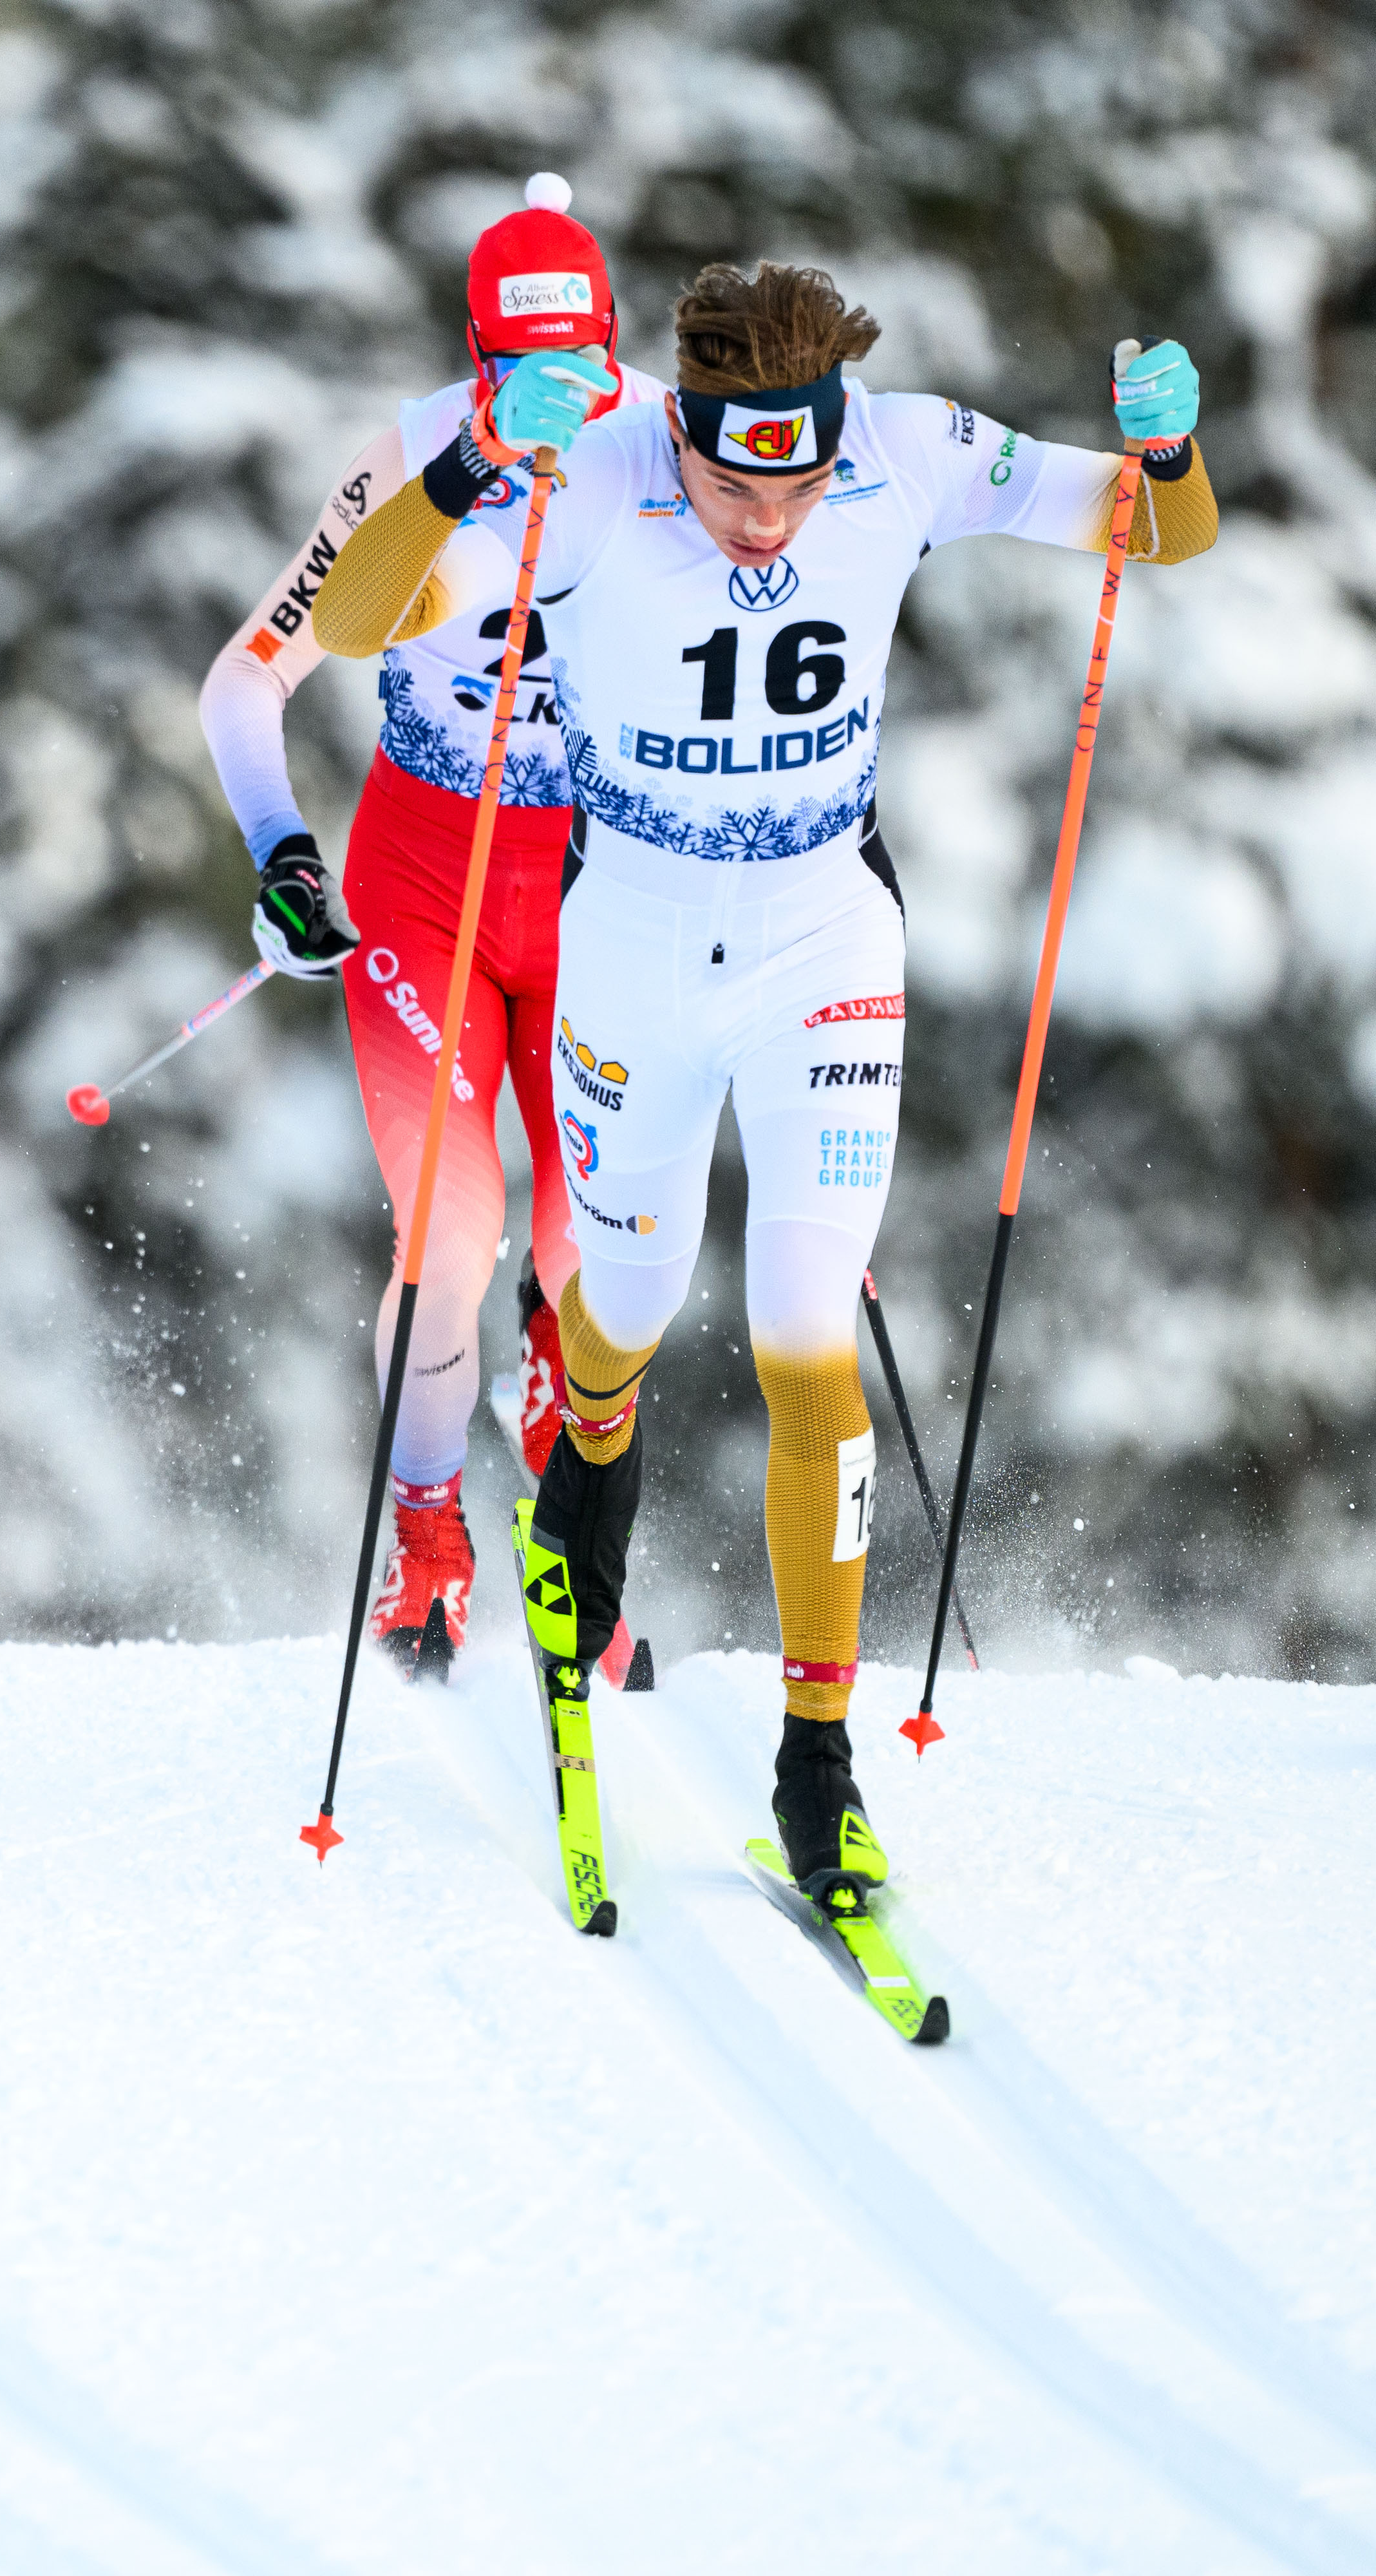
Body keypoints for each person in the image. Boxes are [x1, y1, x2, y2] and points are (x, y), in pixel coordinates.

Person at [312, 263, 1214, 1893]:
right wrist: (467, 465)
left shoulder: (908, 451)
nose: (765, 521)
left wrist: (1168, 454)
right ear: (684, 431)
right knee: (626, 1313)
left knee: (810, 1345)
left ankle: (820, 1761)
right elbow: (355, 620)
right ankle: (577, 1490)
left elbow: (1158, 532)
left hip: (822, 951)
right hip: (634, 954)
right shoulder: (594, 474)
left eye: (797, 486)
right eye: (733, 486)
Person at [198, 176, 665, 1681]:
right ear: (474, 358)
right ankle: (429, 1535)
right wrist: (282, 852)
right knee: (445, 1238)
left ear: (616, 346)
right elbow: (246, 678)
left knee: (595, 1251)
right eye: (518, 374)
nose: (554, 404)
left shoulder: (675, 446)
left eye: (580, 370)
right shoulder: (411, 458)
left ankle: (580, 1539)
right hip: (425, 880)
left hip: (599, 888)